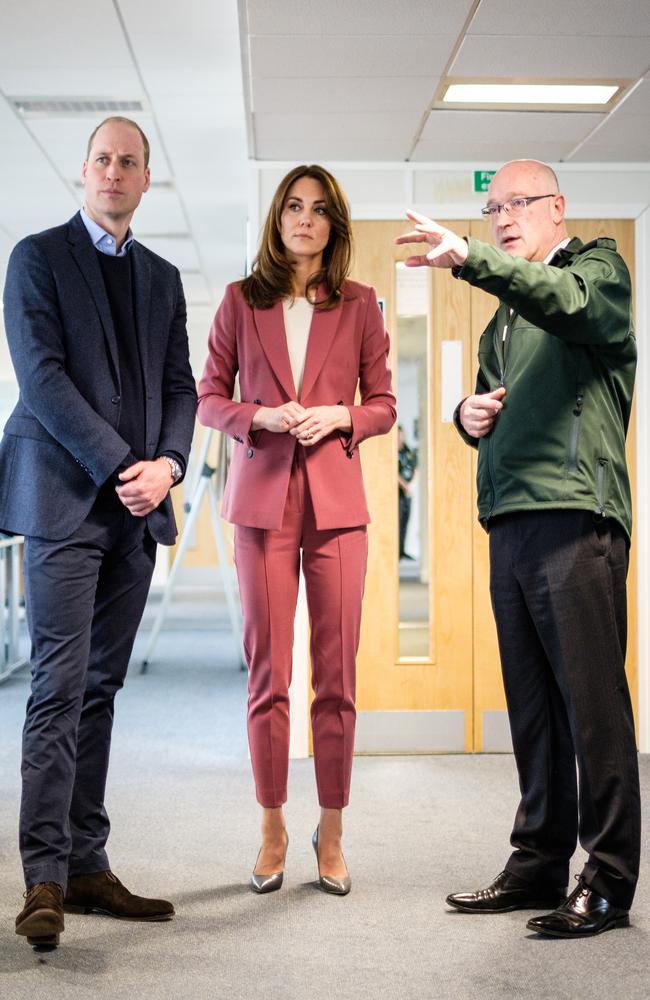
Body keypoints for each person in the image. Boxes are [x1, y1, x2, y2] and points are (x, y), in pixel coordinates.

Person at [396, 159, 640, 938]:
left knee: (592, 708)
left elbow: (565, 303)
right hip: (511, 521)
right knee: (533, 709)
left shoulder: (597, 270)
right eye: (492, 208)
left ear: (557, 208)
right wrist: (463, 416)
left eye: (517, 203)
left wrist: (470, 257)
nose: (502, 216)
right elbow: (488, 405)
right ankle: (539, 861)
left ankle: (608, 878)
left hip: (576, 518)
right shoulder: (502, 314)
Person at [1, 117, 197, 949]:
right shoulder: (37, 259)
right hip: (63, 500)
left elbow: (182, 387)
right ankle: (44, 875)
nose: (115, 172)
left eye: (130, 162)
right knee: (57, 684)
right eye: (103, 159)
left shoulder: (161, 276)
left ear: (147, 180)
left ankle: (87, 863)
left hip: (138, 510)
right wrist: (128, 464)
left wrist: (172, 467)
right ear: (85, 172)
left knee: (101, 690)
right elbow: (41, 379)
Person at [198, 164, 395, 896]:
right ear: (277, 220)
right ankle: (273, 827)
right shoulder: (239, 303)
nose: (304, 219)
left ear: (332, 225)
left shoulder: (363, 304)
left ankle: (332, 831)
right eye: (292, 207)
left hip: (339, 508)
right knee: (268, 675)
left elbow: (383, 403)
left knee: (336, 677)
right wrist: (259, 416)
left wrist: (342, 415)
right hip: (260, 503)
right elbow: (208, 397)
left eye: (317, 210)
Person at [397, 424, 418, 560]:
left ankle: (403, 550)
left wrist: (411, 486)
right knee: (397, 523)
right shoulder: (393, 452)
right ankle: (396, 551)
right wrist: (404, 485)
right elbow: (394, 472)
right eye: (398, 434)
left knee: (405, 522)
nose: (401, 437)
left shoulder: (408, 451)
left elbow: (415, 468)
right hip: (398, 494)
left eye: (402, 434)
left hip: (408, 494)